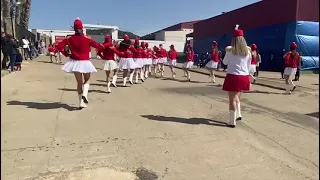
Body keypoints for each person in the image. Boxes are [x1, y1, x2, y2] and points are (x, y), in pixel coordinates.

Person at [56, 18, 103, 109]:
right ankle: (85, 95)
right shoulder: (87, 38)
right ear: (82, 28)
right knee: (87, 81)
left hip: (75, 62)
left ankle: (80, 102)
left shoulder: (69, 38)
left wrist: (66, 54)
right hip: (85, 62)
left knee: (79, 83)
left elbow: (58, 46)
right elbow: (98, 46)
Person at [222, 25, 251, 128]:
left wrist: (226, 52)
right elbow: (248, 65)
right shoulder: (248, 51)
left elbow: (225, 62)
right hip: (244, 76)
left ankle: (232, 121)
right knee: (237, 96)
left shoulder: (230, 51)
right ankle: (238, 114)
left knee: (232, 99)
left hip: (233, 76)